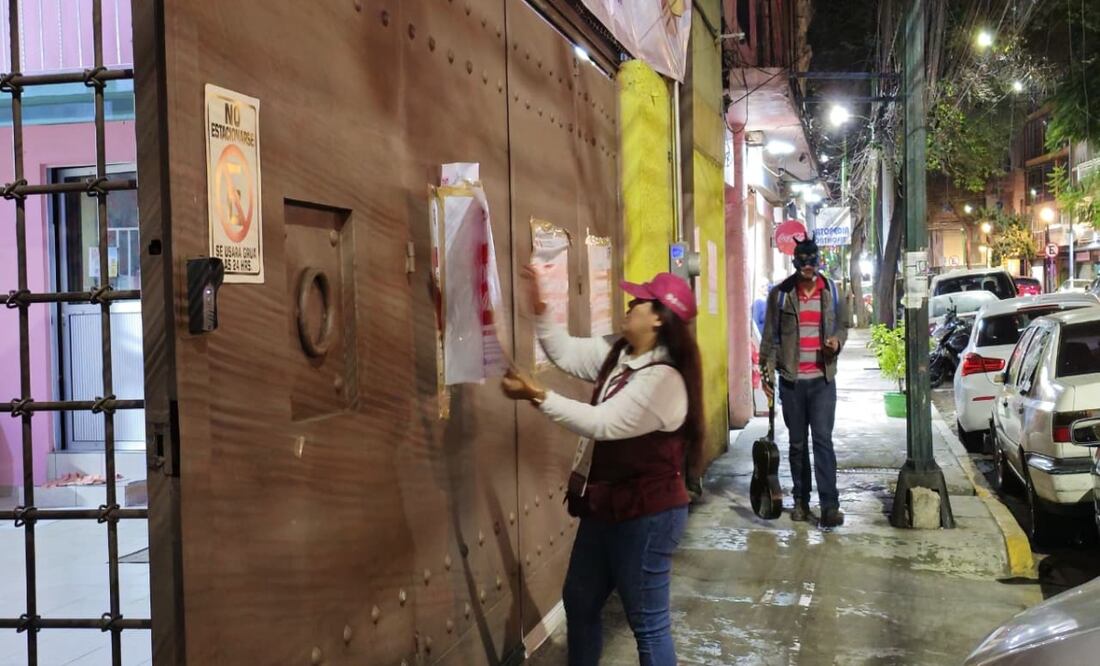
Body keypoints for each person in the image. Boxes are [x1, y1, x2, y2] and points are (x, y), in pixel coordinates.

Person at [500, 268, 705, 666]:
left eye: (639, 302)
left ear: (660, 318)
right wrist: (540, 308)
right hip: (606, 507)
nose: (629, 305)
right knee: (579, 600)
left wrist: (536, 394)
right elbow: (563, 351)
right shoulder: (620, 351)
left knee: (647, 622)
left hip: (648, 516)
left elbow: (603, 423)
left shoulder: (665, 380)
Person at [759, 235, 849, 528]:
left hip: (823, 380)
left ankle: (829, 505)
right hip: (792, 381)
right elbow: (770, 338)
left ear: (818, 261)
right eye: (802, 260)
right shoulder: (781, 294)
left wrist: (837, 341)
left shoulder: (832, 291)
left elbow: (842, 326)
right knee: (797, 444)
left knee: (822, 442)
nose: (808, 266)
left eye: (812, 260)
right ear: (795, 262)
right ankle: (800, 500)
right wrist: (766, 373)